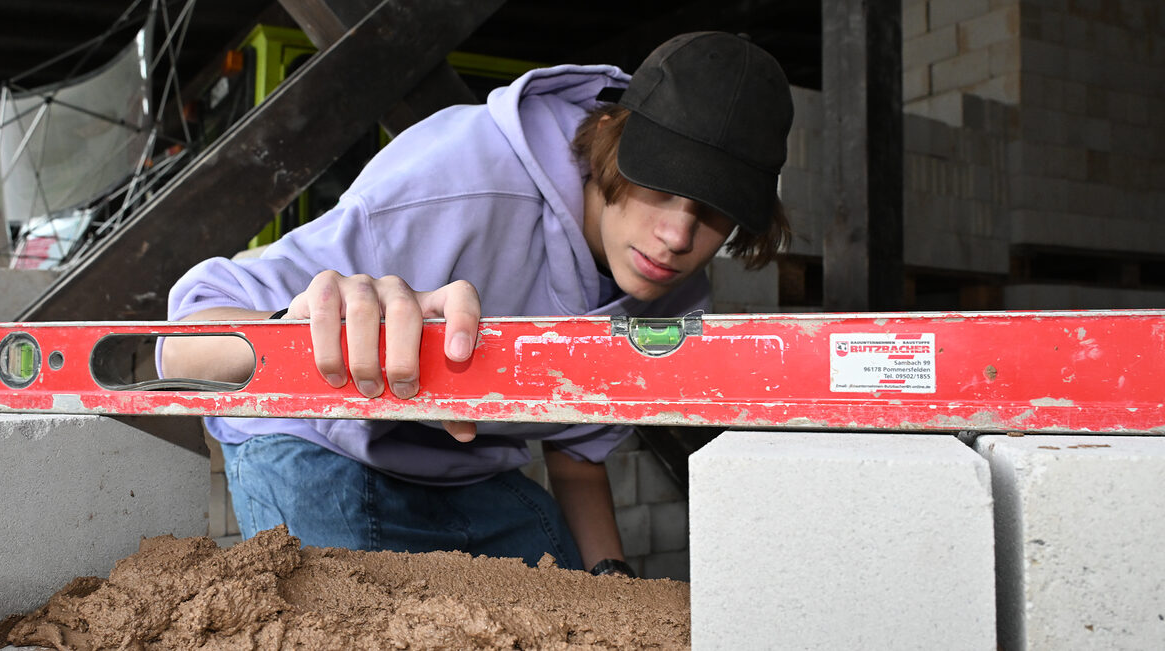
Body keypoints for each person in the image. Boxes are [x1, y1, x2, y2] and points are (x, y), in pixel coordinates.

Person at [161, 32, 793, 577]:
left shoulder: (675, 295)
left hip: (462, 469)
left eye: (714, 211)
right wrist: (299, 332)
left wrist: (612, 581)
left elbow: (579, 452)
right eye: (663, 185)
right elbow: (181, 344)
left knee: (577, 615)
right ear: (611, 138)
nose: (679, 237)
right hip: (313, 445)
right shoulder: (458, 177)